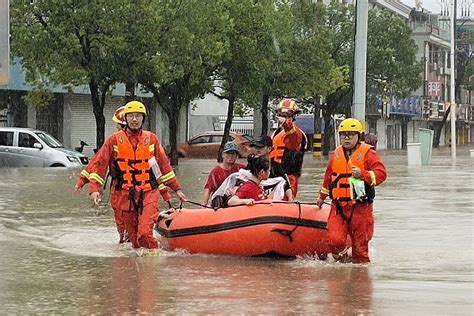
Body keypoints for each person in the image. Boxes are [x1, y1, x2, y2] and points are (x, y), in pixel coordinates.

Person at [81, 100, 186, 256]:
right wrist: (93, 189)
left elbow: (163, 167)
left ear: (143, 119)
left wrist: (176, 189)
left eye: (138, 116)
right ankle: (135, 271)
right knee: (133, 240)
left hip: (148, 192)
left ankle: (153, 264)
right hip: (125, 194)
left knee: (144, 233)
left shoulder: (151, 139)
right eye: (131, 116)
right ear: (126, 119)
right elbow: (99, 164)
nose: (135, 119)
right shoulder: (114, 140)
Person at [316, 118, 387, 264]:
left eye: (350, 135)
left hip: (361, 207)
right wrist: (322, 197)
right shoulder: (336, 154)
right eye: (343, 135)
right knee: (334, 241)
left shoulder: (368, 153)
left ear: (358, 136)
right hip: (339, 207)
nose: (346, 138)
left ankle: (360, 280)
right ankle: (344, 263)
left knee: (360, 250)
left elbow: (381, 174)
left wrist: (363, 174)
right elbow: (328, 177)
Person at [269, 98, 307, 198]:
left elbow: (294, 141)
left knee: (286, 201)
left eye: (285, 115)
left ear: (293, 116)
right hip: (273, 175)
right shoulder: (276, 133)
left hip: (289, 176)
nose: (282, 118)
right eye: (280, 115)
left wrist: (287, 124)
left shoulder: (297, 133)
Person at [201, 141, 245, 205]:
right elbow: (208, 190)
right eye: (228, 153)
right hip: (220, 202)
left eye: (233, 153)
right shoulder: (216, 171)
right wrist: (203, 207)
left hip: (236, 201)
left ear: (237, 156)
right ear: (223, 155)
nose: (230, 156)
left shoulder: (241, 169)